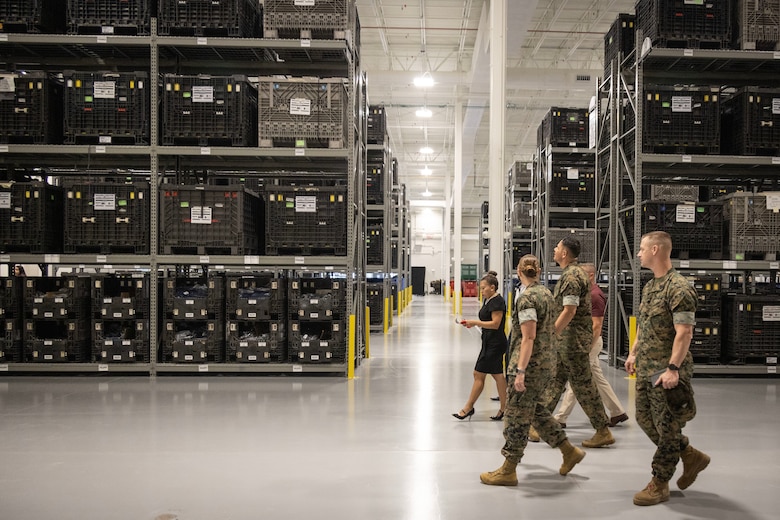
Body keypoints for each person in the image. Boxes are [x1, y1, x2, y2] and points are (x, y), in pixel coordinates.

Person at [480, 255, 586, 486]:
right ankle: (569, 451)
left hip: (529, 365)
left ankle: (508, 469)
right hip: (545, 363)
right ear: (538, 271)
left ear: (519, 272)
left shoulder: (527, 298)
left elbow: (528, 337)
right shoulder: (546, 293)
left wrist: (520, 371)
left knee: (515, 417)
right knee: (536, 411)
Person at [625, 231, 710, 506]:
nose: (638, 254)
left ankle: (659, 483)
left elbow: (684, 332)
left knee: (668, 427)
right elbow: (645, 324)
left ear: (655, 250)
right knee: (644, 419)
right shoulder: (651, 286)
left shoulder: (679, 288)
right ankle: (690, 454)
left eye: (642, 249)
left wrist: (673, 368)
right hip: (646, 367)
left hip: (666, 371)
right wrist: (633, 352)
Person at [531, 237, 614, 448]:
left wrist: (551, 334)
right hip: (566, 341)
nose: (554, 249)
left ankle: (603, 430)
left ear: (565, 253)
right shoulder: (572, 274)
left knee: (583, 386)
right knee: (555, 381)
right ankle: (539, 424)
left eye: (557, 247)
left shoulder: (571, 277)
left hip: (572, 342)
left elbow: (569, 310)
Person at [554, 263, 628, 428]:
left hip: (590, 342)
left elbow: (597, 325)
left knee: (576, 379)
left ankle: (560, 418)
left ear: (591, 276)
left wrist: (587, 348)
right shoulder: (587, 294)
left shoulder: (595, 296)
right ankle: (617, 412)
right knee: (597, 377)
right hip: (585, 341)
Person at [453, 271, 508, 421]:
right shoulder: (488, 300)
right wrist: (473, 323)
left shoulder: (497, 302)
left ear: (492, 287)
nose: (481, 291)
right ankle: (505, 408)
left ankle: (468, 407)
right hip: (489, 342)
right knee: (497, 375)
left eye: (483, 288)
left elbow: (495, 324)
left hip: (495, 343)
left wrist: (475, 323)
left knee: (479, 374)